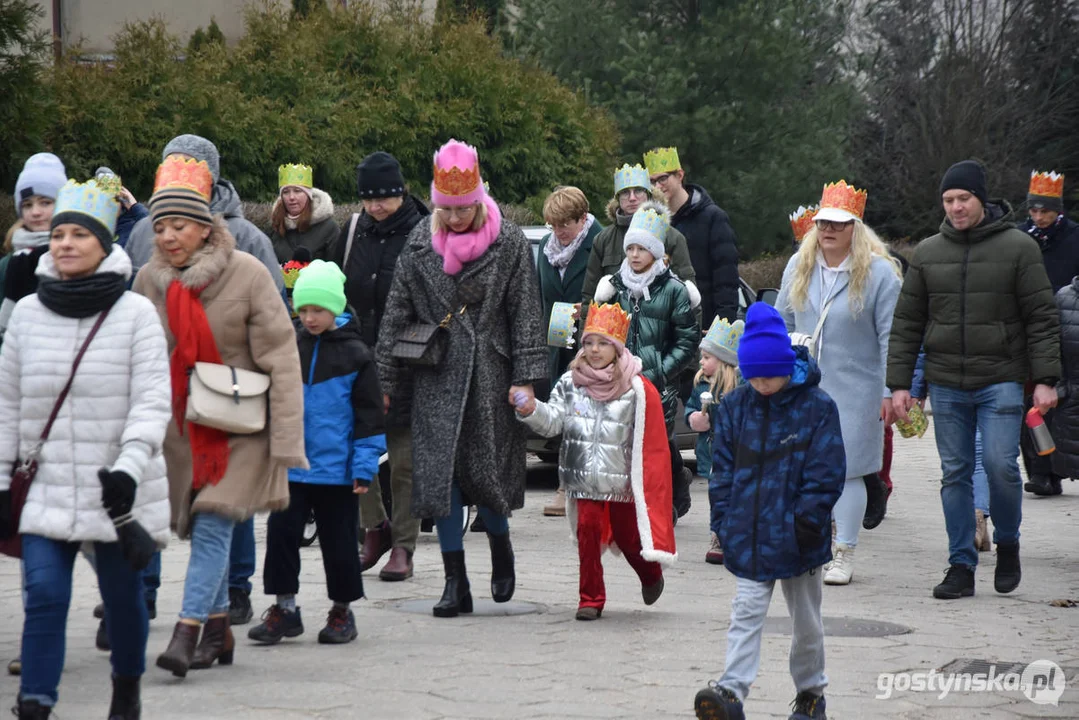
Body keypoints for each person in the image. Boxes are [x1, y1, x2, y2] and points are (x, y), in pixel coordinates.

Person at [0, 177, 172, 719]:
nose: (66, 244)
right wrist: (2, 482)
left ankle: (126, 688)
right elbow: (6, 405)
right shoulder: (27, 313)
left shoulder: (135, 313)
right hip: (46, 487)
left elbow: (151, 401)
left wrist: (128, 467)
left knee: (123, 602)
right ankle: (35, 704)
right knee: (45, 598)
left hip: (117, 493)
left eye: (79, 235)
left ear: (104, 244)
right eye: (58, 235)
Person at [132, 156, 306, 677]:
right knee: (197, 526)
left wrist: (286, 440)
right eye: (159, 226)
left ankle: (186, 632)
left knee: (211, 525)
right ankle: (218, 630)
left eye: (178, 225)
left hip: (242, 428)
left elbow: (281, 356)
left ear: (206, 229)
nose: (166, 236)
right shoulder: (148, 282)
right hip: (181, 430)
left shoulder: (249, 273)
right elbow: (135, 356)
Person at [375, 139, 546, 618]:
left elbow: (526, 313)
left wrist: (527, 378)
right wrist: (386, 383)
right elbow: (395, 317)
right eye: (446, 210)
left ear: (478, 200)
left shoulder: (509, 242)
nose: (454, 219)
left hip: (491, 377)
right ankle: (456, 582)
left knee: (487, 475)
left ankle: (501, 547)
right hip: (434, 377)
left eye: (464, 209)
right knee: (439, 480)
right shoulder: (417, 245)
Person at [888, 159, 1061, 600]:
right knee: (955, 473)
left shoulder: (1019, 248)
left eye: (963, 198)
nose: (956, 207)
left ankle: (1008, 543)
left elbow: (1041, 317)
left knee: (1002, 466)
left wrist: (1045, 378)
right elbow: (908, 323)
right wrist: (901, 384)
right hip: (946, 383)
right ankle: (960, 564)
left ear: (981, 199)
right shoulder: (928, 253)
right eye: (948, 200)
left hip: (1001, 377)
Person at [693, 302, 845, 720]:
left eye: (769, 375)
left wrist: (808, 520)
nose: (761, 384)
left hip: (800, 538)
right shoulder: (737, 406)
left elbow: (827, 471)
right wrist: (721, 521)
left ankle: (812, 694)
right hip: (748, 532)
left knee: (807, 624)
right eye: (753, 375)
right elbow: (721, 470)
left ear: (787, 367)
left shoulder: (817, 407)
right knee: (745, 612)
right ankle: (731, 692)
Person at [248, 260, 385, 646]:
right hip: (291, 467)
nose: (309, 317)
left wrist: (363, 467)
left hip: (337, 472)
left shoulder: (358, 355)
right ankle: (285, 609)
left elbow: (369, 419)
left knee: (340, 544)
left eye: (318, 310)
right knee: (280, 540)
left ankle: (342, 611)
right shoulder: (288, 345)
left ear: (337, 308)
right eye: (303, 309)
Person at [776, 180, 901, 586]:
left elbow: (889, 337)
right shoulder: (799, 265)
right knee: (802, 468)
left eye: (838, 224)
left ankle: (845, 550)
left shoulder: (880, 274)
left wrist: (887, 390)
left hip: (857, 386)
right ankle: (813, 543)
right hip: (805, 384)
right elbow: (783, 321)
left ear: (855, 228)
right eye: (822, 222)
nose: (828, 230)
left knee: (848, 470)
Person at [517, 302, 675, 620]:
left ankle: (650, 575)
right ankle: (590, 598)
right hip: (584, 479)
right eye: (589, 342)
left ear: (617, 348)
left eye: (603, 343)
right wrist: (531, 409)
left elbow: (650, 441)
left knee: (629, 536)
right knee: (587, 532)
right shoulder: (571, 382)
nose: (594, 349)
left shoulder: (636, 389)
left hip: (622, 481)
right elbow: (553, 422)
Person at [337, 151, 429, 582]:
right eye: (368, 198)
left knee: (405, 459)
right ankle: (374, 529)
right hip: (357, 357)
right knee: (359, 453)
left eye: (384, 197)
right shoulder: (353, 231)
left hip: (409, 360)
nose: (375, 206)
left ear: (401, 191)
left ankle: (404, 546)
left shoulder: (423, 232)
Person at [593, 200, 701, 521]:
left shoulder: (674, 290)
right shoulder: (615, 288)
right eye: (631, 249)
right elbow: (600, 332)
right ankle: (631, 501)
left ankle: (663, 500)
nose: (635, 255)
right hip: (621, 382)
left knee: (657, 446)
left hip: (659, 384)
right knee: (625, 443)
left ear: (657, 252)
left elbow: (687, 340)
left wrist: (663, 372)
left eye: (642, 249)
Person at [536, 185, 603, 517]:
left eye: (565, 224)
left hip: (595, 347)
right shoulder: (545, 251)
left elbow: (613, 290)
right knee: (565, 418)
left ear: (582, 219)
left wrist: (588, 309)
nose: (559, 231)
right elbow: (539, 298)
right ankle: (566, 486)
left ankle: (575, 488)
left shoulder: (600, 242)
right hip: (556, 347)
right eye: (554, 225)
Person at [1019, 170, 1079, 497]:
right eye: (1034, 210)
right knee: (1031, 405)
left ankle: (1060, 465)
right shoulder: (1020, 238)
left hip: (1068, 330)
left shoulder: (1074, 238)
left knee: (1061, 404)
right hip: (1029, 331)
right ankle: (1041, 472)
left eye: (1046, 211)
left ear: (1059, 210)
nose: (1039, 217)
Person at [580, 163, 696, 309]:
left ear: (649, 194)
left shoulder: (672, 238)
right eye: (625, 192)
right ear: (618, 198)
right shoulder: (603, 240)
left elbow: (688, 297)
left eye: (639, 191)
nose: (632, 198)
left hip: (659, 327)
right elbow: (589, 297)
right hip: (613, 327)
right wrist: (586, 331)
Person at [644, 146, 739, 324]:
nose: (657, 186)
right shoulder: (650, 222)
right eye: (652, 181)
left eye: (663, 178)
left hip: (702, 323)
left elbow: (726, 280)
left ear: (679, 175)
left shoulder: (713, 218)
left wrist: (722, 327)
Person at [685, 316, 743, 565]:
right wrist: (694, 418)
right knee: (716, 496)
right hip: (711, 452)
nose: (701, 361)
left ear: (724, 362)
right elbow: (690, 408)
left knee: (737, 496)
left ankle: (737, 537)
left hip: (736, 454)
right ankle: (717, 537)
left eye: (707, 357)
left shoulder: (739, 388)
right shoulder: (701, 385)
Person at [0, 153, 68, 340]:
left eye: (45, 203)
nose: (35, 212)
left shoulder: (79, 257)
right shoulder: (9, 264)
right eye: (27, 205)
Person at [269, 164, 339, 264]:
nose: (291, 197)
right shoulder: (274, 227)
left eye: (297, 191)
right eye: (286, 192)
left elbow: (335, 269)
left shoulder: (329, 228)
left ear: (308, 195)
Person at [94, 167, 149, 249]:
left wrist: (135, 206)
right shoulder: (92, 229)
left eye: (113, 200)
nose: (108, 207)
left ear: (121, 202)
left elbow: (152, 228)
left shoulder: (133, 227)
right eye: (102, 201)